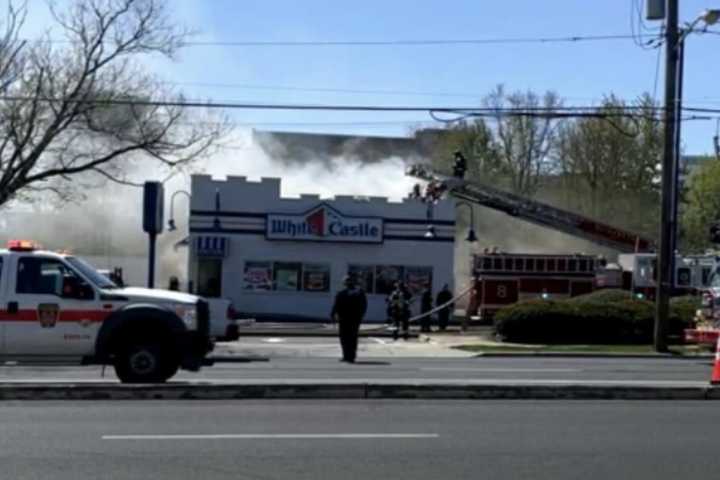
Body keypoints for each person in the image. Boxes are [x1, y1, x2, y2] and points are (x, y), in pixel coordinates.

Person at [330, 275, 368, 363]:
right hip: (349, 319)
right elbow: (363, 306)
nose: (348, 284)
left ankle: (348, 356)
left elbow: (363, 306)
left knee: (347, 338)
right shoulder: (355, 293)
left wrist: (332, 315)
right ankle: (349, 356)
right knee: (349, 338)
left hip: (348, 319)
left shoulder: (352, 293)